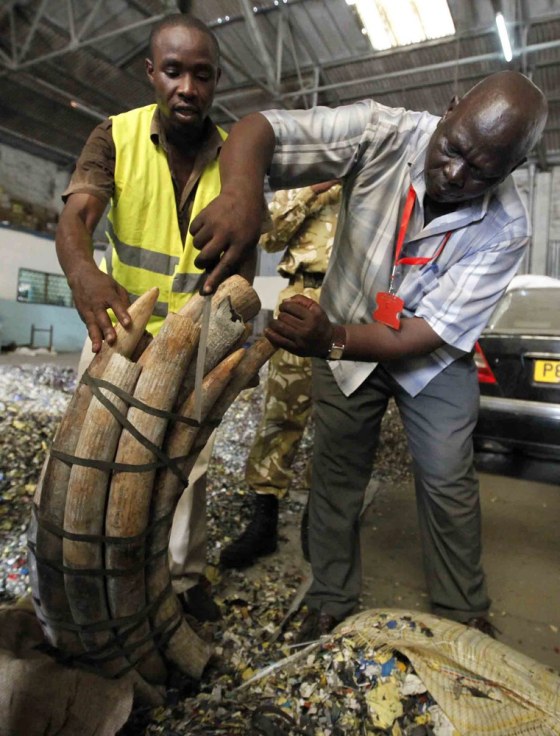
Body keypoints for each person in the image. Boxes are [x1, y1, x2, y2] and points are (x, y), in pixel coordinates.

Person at [189, 71, 548, 640]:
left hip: (428, 357)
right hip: (348, 322)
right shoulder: (383, 132)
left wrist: (329, 339)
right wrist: (240, 195)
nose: (455, 175)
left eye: (482, 171)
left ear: (511, 171)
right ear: (449, 107)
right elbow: (260, 130)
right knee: (337, 471)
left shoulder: (507, 228)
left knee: (448, 477)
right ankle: (332, 595)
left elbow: (422, 335)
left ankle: (461, 608)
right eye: (453, 149)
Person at [55, 14, 257, 623]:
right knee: (88, 456)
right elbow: (78, 219)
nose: (187, 88)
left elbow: (245, 258)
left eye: (201, 75)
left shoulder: (235, 160)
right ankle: (80, 567)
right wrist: (82, 273)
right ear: (152, 73)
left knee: (184, 468)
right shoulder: (113, 137)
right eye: (173, 71)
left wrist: (228, 341)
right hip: (120, 330)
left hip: (194, 342)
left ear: (216, 81)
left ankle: (183, 578)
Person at [220, 181, 341, 569]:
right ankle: (265, 519)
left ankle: (320, 523)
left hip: (354, 307)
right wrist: (317, 188)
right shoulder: (307, 181)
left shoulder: (375, 178)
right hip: (302, 298)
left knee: (342, 419)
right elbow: (271, 238)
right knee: (281, 413)